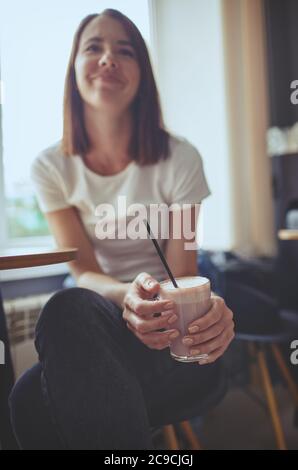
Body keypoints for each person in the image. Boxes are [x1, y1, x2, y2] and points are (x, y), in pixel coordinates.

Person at [10, 9, 234, 450]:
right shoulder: (51, 167)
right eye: (94, 47)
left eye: (124, 50)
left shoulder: (180, 158)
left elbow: (182, 271)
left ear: (142, 76)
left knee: (29, 400)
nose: (108, 58)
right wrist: (125, 294)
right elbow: (84, 271)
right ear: (74, 66)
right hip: (104, 312)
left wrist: (153, 306)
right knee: (69, 305)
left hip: (169, 325)